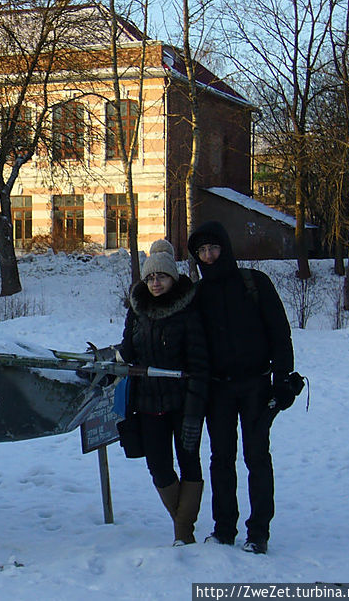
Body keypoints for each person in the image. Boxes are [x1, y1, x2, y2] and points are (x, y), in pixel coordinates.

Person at [187, 221, 294, 555]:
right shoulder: (198, 294)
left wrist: (282, 378)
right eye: (202, 251)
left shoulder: (254, 283)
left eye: (213, 248)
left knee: (257, 457)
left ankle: (258, 532)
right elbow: (191, 343)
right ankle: (224, 528)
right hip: (218, 391)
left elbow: (280, 332)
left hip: (256, 386)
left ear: (225, 248)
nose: (208, 255)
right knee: (221, 459)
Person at [119, 239, 210, 546]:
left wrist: (196, 404)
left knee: (189, 461)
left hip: (183, 402)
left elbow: (199, 361)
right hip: (148, 403)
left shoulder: (188, 310)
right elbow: (128, 351)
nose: (155, 282)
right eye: (149, 278)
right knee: (158, 466)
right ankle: (183, 522)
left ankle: (183, 533)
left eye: (160, 276)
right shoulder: (138, 310)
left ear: (172, 278)